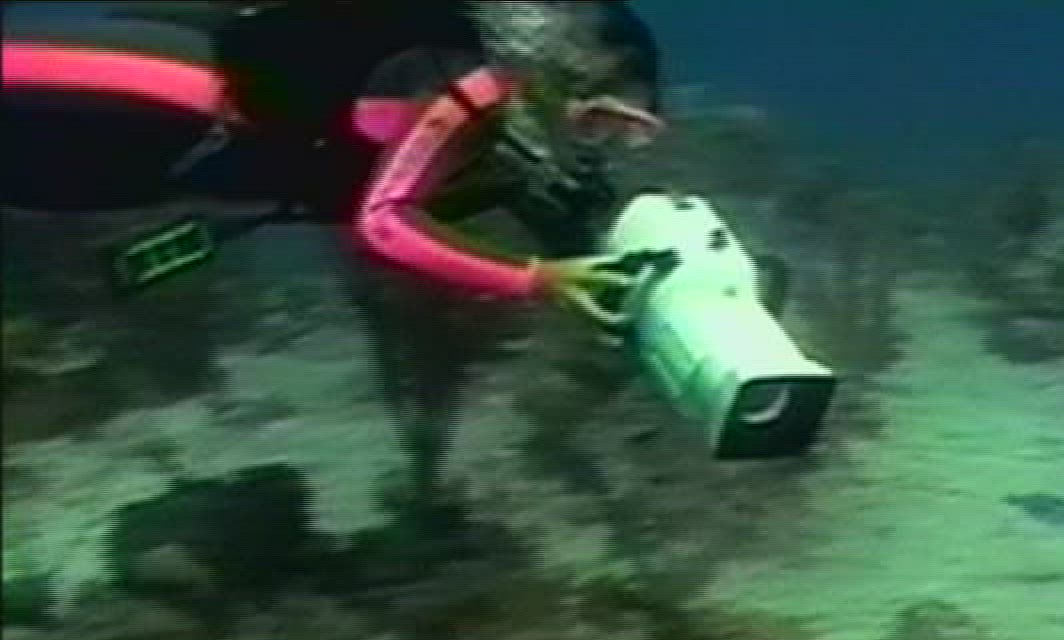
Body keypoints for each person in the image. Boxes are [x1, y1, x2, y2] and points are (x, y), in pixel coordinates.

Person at [2, 0, 667, 511]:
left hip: (161, 140)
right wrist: (536, 279)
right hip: (156, 88)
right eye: (602, 122)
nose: (601, 144)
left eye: (628, 132)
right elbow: (384, 223)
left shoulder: (498, 131)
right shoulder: (472, 92)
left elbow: (559, 224)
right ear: (559, 79)